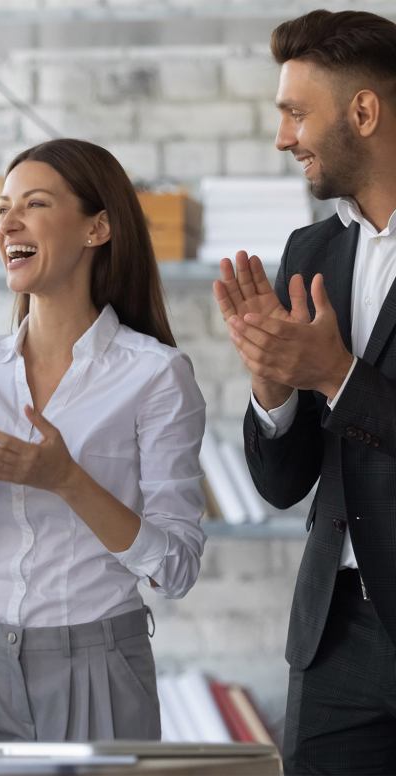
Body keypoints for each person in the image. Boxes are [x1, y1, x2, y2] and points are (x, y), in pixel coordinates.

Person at [0, 138, 206, 750]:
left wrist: (67, 480)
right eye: (3, 206)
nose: (7, 222)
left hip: (99, 663)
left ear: (97, 228)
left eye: (34, 204)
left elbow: (175, 569)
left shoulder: (156, 374)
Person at [214, 9, 396, 774]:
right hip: (334, 641)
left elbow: (345, 389)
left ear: (363, 111)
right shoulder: (310, 250)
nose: (284, 138)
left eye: (295, 113)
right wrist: (271, 386)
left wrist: (334, 375)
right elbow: (284, 483)